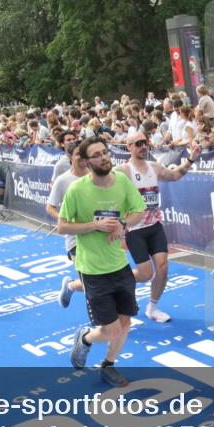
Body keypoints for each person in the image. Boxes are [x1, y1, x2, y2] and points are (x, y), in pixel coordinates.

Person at [59, 138, 147, 388]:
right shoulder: (77, 190)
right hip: (93, 270)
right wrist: (94, 225)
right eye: (96, 155)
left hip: (120, 265)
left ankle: (108, 365)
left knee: (125, 323)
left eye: (105, 152)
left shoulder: (122, 181)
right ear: (86, 162)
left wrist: (123, 224)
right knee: (110, 330)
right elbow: (62, 226)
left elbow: (139, 210)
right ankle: (85, 338)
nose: (104, 157)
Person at [111, 133, 201, 323]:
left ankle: (152, 308)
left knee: (163, 267)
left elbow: (174, 175)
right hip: (135, 229)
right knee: (146, 274)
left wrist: (191, 158)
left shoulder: (154, 167)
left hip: (154, 226)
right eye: (138, 144)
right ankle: (115, 281)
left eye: (145, 142)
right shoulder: (123, 171)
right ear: (129, 147)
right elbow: (104, 186)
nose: (143, 146)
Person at [46, 142, 89, 306]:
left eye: (85, 154)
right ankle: (71, 286)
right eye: (78, 154)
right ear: (70, 157)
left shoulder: (95, 175)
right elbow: (50, 207)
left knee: (101, 280)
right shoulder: (63, 180)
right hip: (75, 238)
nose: (82, 158)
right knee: (88, 282)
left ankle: (70, 286)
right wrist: (63, 219)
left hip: (97, 234)